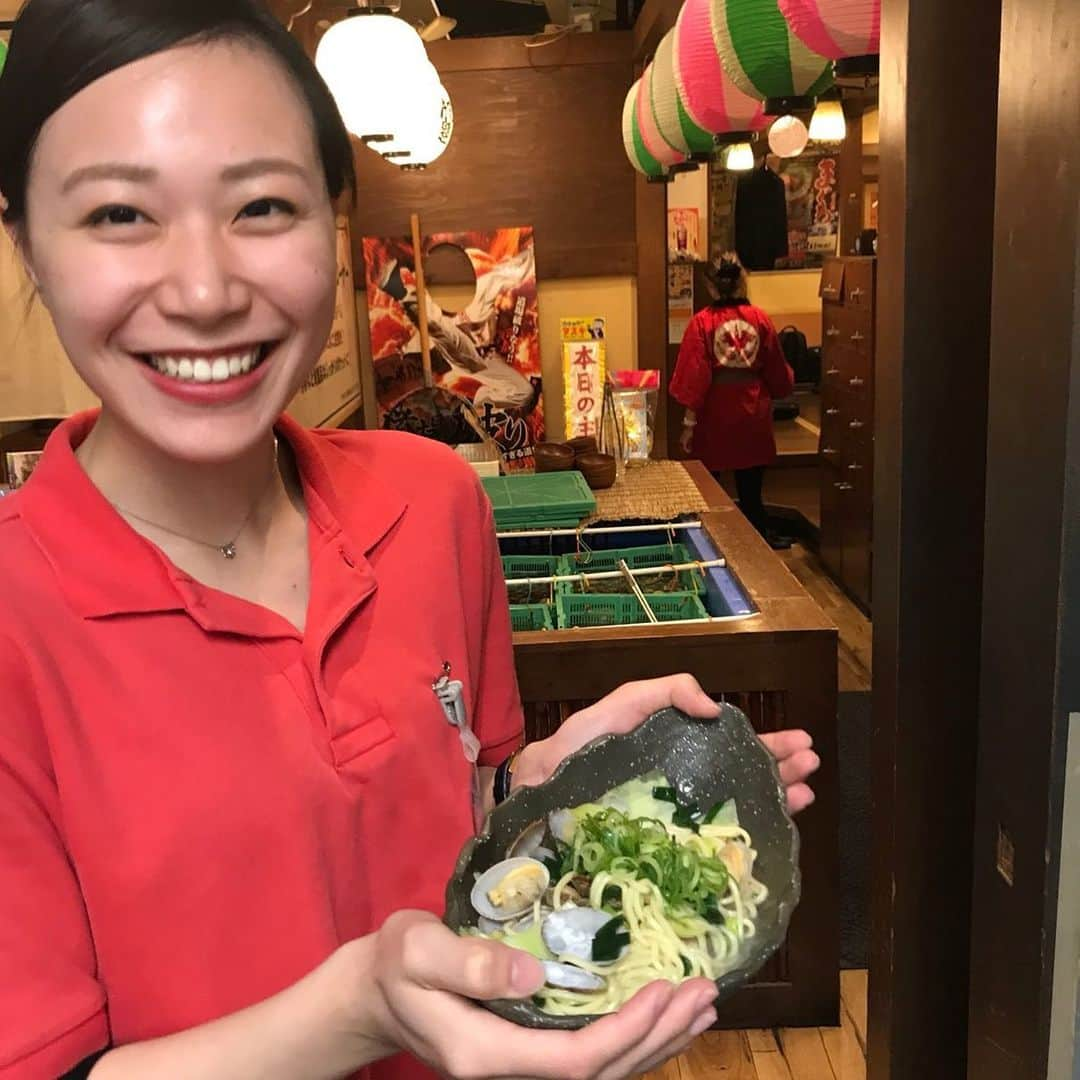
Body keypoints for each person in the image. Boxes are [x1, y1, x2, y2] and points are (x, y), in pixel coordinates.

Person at [0, 3, 820, 1078]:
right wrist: (362, 1007)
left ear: (333, 221)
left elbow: (453, 820)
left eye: (261, 204)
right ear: (22, 238)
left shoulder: (434, 501)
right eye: (118, 214)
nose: (203, 290)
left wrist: (549, 787)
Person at [671, 255, 795, 550]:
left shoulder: (702, 323)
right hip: (753, 410)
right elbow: (778, 373)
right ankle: (757, 540)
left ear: (710, 287)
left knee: (709, 487)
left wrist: (688, 425)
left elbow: (695, 377)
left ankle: (710, 544)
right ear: (741, 281)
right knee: (751, 487)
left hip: (716, 412)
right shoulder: (761, 319)